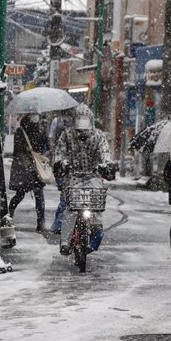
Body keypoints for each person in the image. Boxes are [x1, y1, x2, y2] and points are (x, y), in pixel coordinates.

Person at [53, 104, 117, 255]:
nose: (82, 124)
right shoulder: (67, 135)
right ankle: (65, 242)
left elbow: (105, 153)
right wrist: (62, 163)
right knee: (70, 210)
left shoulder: (98, 136)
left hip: (93, 176)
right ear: (74, 121)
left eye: (85, 120)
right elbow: (59, 153)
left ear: (91, 121)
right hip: (73, 176)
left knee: (96, 210)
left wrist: (106, 165)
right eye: (79, 120)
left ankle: (94, 239)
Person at [8, 113, 46, 233]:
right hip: (31, 167)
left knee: (21, 194)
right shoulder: (31, 131)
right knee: (38, 195)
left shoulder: (22, 131)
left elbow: (18, 150)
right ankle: (40, 222)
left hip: (24, 168)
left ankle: (8, 215)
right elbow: (42, 147)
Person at [47, 110, 74, 234]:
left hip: (73, 164)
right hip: (61, 163)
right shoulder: (56, 121)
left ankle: (60, 224)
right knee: (64, 195)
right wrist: (55, 151)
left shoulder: (76, 124)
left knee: (66, 197)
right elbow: (51, 137)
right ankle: (58, 224)